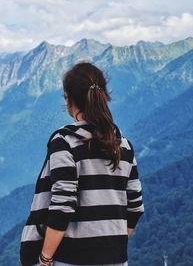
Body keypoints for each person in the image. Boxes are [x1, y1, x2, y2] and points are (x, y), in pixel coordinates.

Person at [19, 62, 145, 266]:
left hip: (70, 259)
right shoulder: (123, 146)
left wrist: (44, 259)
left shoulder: (64, 142)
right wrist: (110, 246)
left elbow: (63, 205)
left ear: (69, 100)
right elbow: (136, 207)